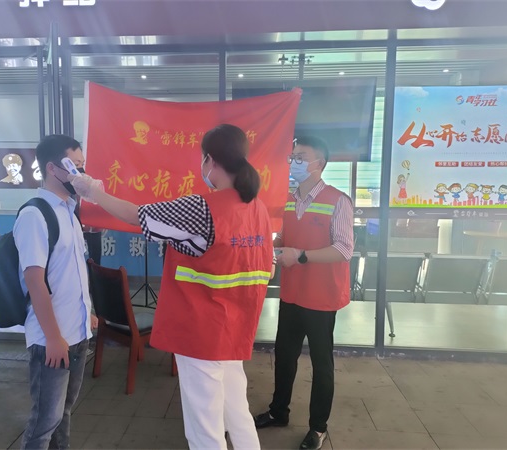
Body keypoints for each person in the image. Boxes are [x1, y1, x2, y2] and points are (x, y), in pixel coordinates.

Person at [69, 124, 274, 450]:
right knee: (237, 412)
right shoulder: (256, 207)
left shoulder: (202, 208)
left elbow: (136, 216)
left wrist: (93, 192)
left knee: (205, 430)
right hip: (235, 329)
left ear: (210, 160)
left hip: (201, 332)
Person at [253, 135, 354, 450]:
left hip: (322, 297)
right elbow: (284, 236)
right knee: (284, 356)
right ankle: (278, 411)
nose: (293, 162)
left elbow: (344, 249)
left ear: (318, 164)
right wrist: (267, 244)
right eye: (292, 157)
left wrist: (301, 256)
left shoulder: (338, 200)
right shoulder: (288, 199)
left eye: (300, 157)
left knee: (322, 365)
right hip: (292, 293)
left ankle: (318, 428)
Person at [15, 135, 97, 450]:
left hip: (76, 333)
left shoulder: (69, 211)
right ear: (52, 168)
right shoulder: (35, 215)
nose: (81, 174)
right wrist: (52, 337)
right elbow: (34, 281)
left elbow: (73, 271)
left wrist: (88, 312)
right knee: (43, 423)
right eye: (74, 166)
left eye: (82, 166)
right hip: (52, 339)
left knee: (63, 413)